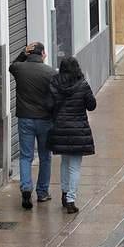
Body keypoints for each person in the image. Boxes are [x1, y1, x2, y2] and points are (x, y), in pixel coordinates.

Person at [46, 56, 97, 214]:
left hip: (60, 129)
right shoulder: (82, 84)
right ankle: (71, 199)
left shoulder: (54, 83)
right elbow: (92, 105)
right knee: (74, 167)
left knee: (64, 163)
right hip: (77, 131)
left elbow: (49, 105)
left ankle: (64, 193)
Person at [8, 41, 55, 209]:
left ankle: (26, 188)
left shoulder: (20, 69)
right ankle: (42, 192)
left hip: (25, 119)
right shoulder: (50, 72)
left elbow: (11, 66)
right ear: (42, 54)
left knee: (26, 156)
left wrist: (23, 52)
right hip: (44, 120)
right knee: (45, 157)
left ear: (29, 54)